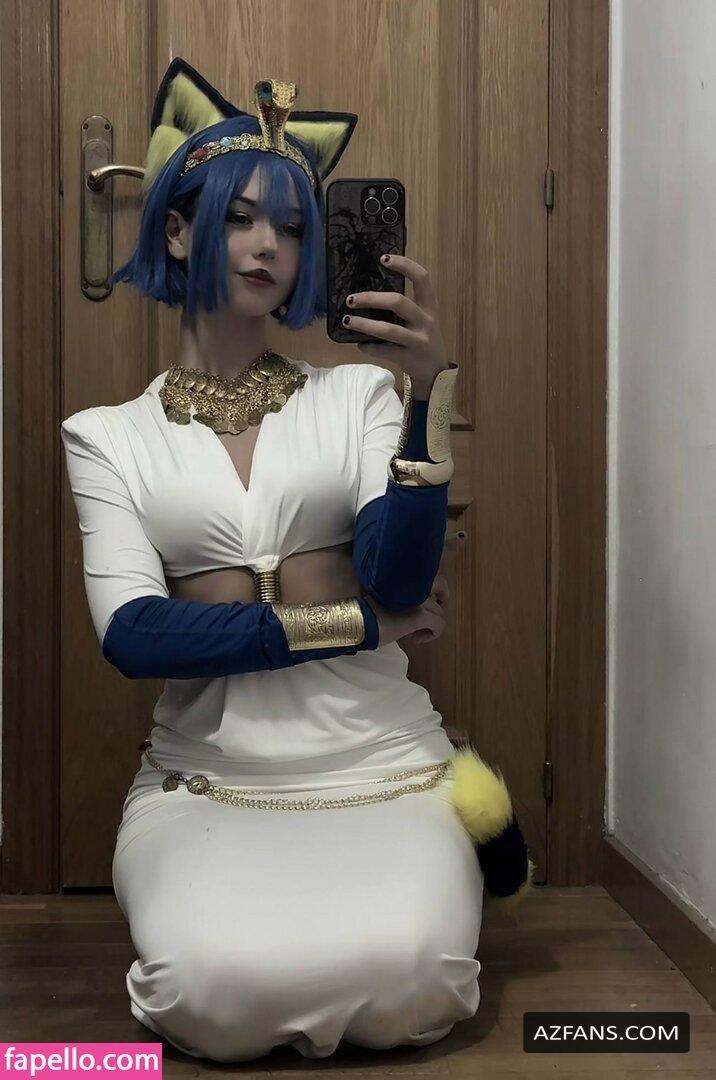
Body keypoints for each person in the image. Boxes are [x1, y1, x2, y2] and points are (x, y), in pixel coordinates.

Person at [61, 59, 525, 1063]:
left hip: (378, 759)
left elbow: (399, 581)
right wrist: (356, 625)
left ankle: (449, 816)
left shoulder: (356, 396)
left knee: (419, 979)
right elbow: (136, 637)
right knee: (203, 994)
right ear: (175, 232)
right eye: (238, 218)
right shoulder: (105, 437)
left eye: (291, 225)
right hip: (208, 779)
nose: (268, 243)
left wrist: (425, 395)